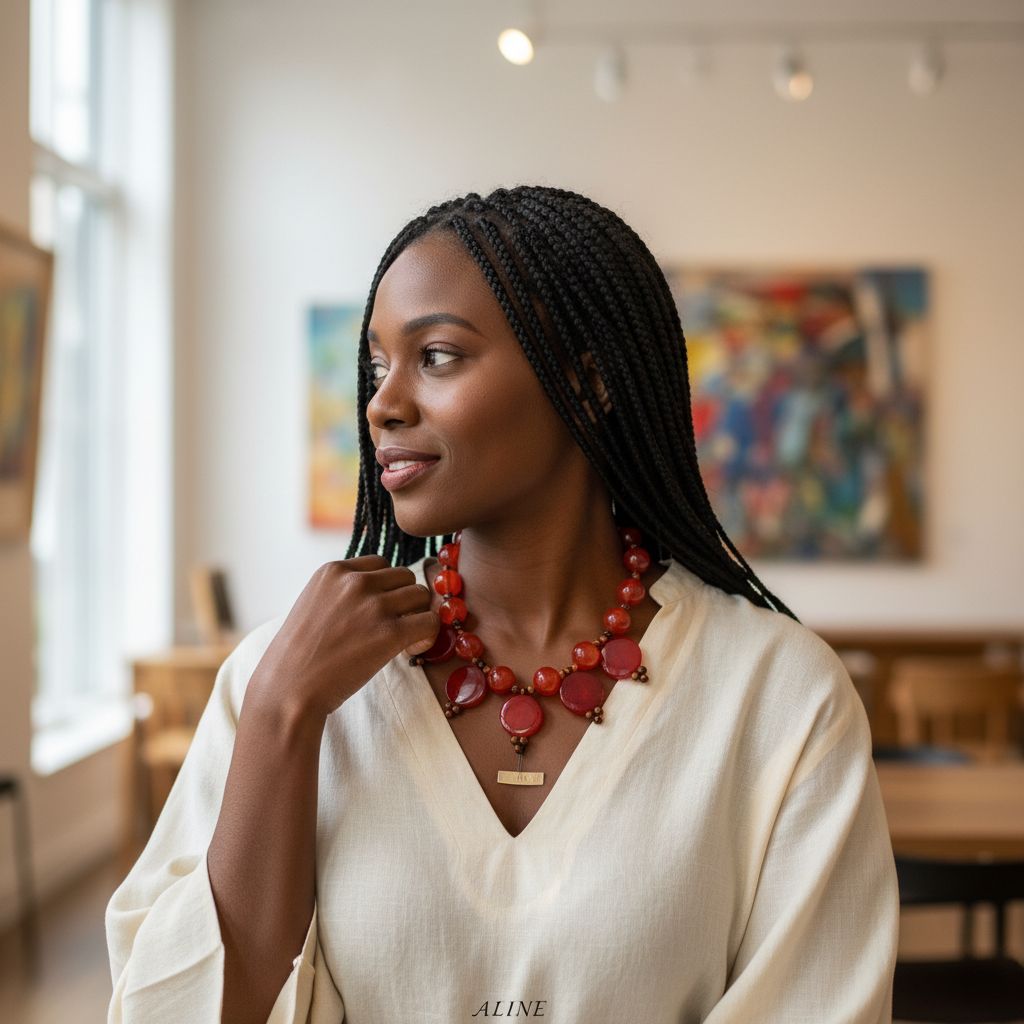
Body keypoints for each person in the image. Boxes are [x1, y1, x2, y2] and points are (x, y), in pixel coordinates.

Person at [105, 185, 899, 1024]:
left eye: (437, 355)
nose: (383, 403)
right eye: (378, 366)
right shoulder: (284, 678)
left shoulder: (781, 697)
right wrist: (279, 717)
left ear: (586, 383)